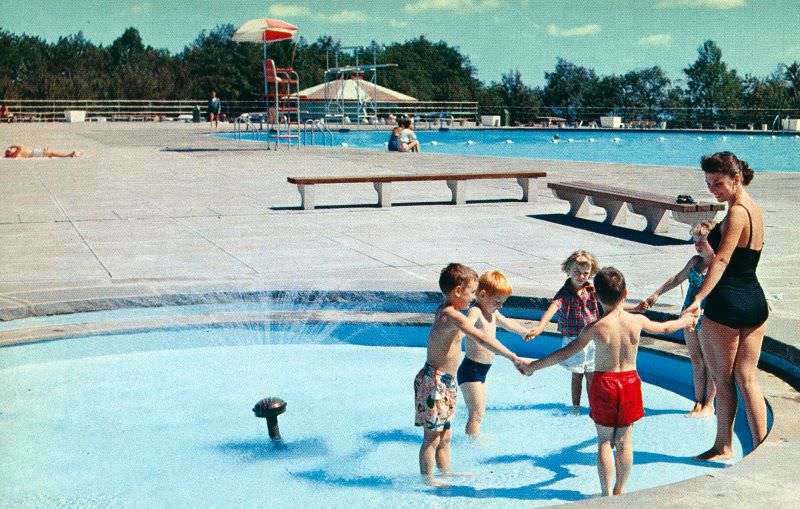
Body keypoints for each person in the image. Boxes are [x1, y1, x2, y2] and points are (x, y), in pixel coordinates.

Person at [519, 267, 696, 497]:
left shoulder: (595, 328)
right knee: (625, 442)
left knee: (604, 441)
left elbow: (564, 353)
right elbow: (665, 327)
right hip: (630, 381)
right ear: (625, 294)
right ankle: (621, 490)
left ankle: (606, 494)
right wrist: (686, 320)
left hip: (604, 383)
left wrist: (533, 366)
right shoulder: (637, 320)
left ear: (597, 297)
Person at [683, 151, 769, 461]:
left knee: (723, 379)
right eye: (708, 184)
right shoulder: (753, 208)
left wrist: (697, 299)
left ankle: (723, 446)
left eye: (717, 184)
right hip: (755, 304)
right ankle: (762, 454)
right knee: (748, 378)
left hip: (727, 305)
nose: (712, 190)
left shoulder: (735, 213)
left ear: (736, 178)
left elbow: (721, 261)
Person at [415, 263, 525, 484]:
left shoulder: (451, 310)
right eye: (472, 292)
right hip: (434, 382)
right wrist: (512, 356)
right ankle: (427, 480)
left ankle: (445, 473)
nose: (474, 297)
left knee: (445, 435)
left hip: (445, 381)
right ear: (457, 291)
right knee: (432, 439)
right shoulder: (450, 316)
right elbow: (482, 337)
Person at [637, 221, 717, 417]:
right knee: (696, 361)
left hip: (708, 317)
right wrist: (657, 293)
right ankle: (698, 401)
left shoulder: (718, 265)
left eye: (703, 241)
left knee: (710, 362)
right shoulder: (694, 262)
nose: (698, 246)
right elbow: (677, 278)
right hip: (688, 316)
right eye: (695, 241)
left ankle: (710, 403)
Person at [457, 270, 535, 437]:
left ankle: (472, 439)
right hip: (470, 370)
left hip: (482, 370)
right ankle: (472, 445)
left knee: (479, 413)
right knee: (476, 414)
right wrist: (460, 334)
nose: (501, 306)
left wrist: (523, 332)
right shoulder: (476, 311)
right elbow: (466, 325)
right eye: (498, 301)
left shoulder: (492, 312)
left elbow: (506, 323)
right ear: (483, 295)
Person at [525, 250, 602, 414]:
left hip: (592, 339)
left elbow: (610, 302)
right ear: (568, 271)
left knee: (591, 375)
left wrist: (634, 308)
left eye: (585, 273)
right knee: (577, 375)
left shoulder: (592, 290)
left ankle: (594, 408)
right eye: (577, 272)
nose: (581, 277)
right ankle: (576, 407)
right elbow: (552, 308)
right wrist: (540, 327)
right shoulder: (565, 293)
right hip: (573, 341)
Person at [5, 145, 80, 158]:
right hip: (34, 153)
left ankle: (69, 154)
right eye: (9, 150)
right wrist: (12, 146)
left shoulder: (14, 153)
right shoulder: (14, 154)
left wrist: (11, 147)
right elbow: (19, 147)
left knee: (52, 153)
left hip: (35, 152)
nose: (11, 149)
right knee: (53, 153)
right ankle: (68, 155)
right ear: (9, 153)